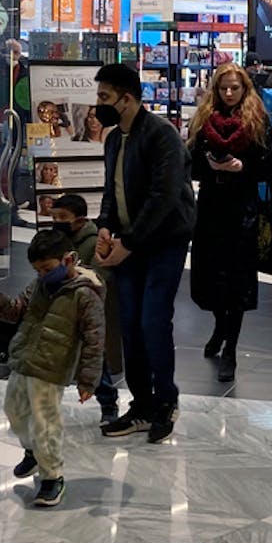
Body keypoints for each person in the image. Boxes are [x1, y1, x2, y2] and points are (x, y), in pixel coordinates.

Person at [91, 62, 196, 444]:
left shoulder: (161, 135)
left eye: (105, 97)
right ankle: (142, 404)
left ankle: (166, 401)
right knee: (130, 324)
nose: (98, 104)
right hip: (129, 242)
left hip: (163, 241)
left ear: (128, 98)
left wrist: (128, 244)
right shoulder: (114, 139)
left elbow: (164, 197)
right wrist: (104, 225)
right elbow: (110, 190)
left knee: (153, 321)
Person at [0, 228, 106, 509]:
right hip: (24, 360)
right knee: (14, 412)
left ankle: (52, 476)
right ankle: (33, 452)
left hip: (52, 369)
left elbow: (94, 340)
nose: (42, 274)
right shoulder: (38, 285)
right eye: (38, 270)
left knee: (45, 423)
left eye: (47, 268)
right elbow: (16, 310)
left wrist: (88, 380)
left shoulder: (85, 295)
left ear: (68, 260)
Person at [187, 64, 272, 383]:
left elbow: (266, 168)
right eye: (223, 88)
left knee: (237, 281)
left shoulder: (256, 120)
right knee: (209, 277)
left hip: (242, 209)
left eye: (234, 88)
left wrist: (242, 167)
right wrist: (210, 166)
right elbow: (191, 163)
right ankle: (220, 325)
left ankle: (230, 349)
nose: (229, 94)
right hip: (211, 207)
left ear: (244, 88)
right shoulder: (204, 118)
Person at [51, 193, 123, 423]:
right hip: (60, 311)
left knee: (94, 361)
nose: (58, 221)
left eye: (63, 217)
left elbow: (99, 278)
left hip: (86, 313)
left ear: (80, 219)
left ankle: (108, 403)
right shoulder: (56, 241)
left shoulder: (93, 243)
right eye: (55, 216)